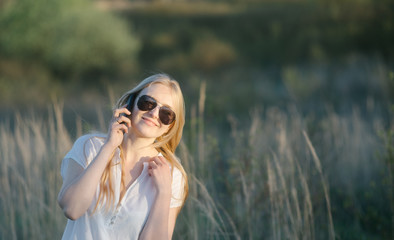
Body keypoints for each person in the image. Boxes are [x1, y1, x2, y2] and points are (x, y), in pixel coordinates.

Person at [57, 73, 188, 240]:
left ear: (170, 127)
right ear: (131, 103)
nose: (155, 114)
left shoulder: (172, 176)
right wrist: (109, 147)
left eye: (166, 113)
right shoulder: (89, 146)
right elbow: (72, 209)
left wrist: (163, 192)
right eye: (147, 103)